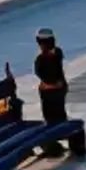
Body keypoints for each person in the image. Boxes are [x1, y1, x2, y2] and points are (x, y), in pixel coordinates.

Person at [34, 28, 69, 156]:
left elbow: (41, 73)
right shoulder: (57, 52)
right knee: (60, 113)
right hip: (60, 89)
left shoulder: (41, 59)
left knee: (51, 117)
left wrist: (49, 84)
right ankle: (61, 137)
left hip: (50, 92)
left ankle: (53, 146)